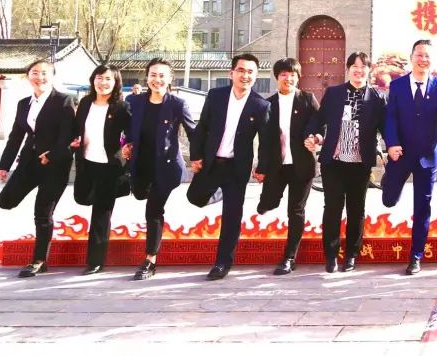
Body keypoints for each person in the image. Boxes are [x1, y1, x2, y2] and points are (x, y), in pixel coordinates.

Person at [187, 53, 272, 280]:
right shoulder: (216, 96)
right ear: (231, 73)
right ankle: (217, 193)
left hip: (237, 168)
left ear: (256, 75)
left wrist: (262, 168)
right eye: (241, 70)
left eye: (250, 72)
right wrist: (196, 156)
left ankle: (222, 263)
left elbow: (265, 142)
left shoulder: (260, 105)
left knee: (232, 216)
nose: (245, 76)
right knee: (195, 197)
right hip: (212, 162)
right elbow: (202, 127)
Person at [383, 40, 437, 275]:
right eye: (419, 55)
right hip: (400, 153)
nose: (423, 59)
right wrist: (391, 144)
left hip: (427, 155)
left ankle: (416, 255)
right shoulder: (397, 86)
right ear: (411, 57)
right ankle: (389, 183)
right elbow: (390, 117)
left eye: (427, 56)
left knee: (422, 206)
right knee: (388, 200)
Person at [306, 52, 387, 273]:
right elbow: (319, 120)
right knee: (332, 208)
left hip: (360, 163)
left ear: (369, 70)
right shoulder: (334, 93)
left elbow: (385, 127)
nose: (359, 71)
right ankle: (331, 255)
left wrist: (391, 147)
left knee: (356, 209)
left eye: (363, 67)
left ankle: (351, 254)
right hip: (334, 161)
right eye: (354, 67)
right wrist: (314, 136)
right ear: (348, 69)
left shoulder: (377, 98)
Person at [0, 59, 76, 278]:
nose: (39, 77)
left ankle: (39, 261)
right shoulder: (24, 103)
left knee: (42, 213)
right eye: (34, 73)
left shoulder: (64, 100)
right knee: (5, 201)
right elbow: (16, 136)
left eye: (44, 73)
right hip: (29, 162)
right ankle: (39, 258)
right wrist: (4, 166)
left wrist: (51, 154)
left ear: (52, 76)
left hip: (55, 165)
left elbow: (68, 135)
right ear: (28, 76)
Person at [123, 57, 195, 280]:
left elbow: (193, 132)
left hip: (166, 167)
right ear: (147, 77)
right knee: (139, 194)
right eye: (153, 75)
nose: (157, 79)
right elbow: (126, 130)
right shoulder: (133, 101)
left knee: (153, 210)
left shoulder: (177, 104)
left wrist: (200, 157)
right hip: (140, 164)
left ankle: (150, 260)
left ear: (170, 78)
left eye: (162, 75)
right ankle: (144, 190)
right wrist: (125, 144)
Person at [256, 57, 320, 275]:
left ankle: (289, 257)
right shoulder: (268, 104)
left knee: (296, 210)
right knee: (269, 201)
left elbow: (320, 125)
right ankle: (267, 203)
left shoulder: (307, 99)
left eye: (293, 75)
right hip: (277, 165)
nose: (288, 78)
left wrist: (316, 138)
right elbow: (264, 140)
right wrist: (261, 167)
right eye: (284, 74)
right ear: (277, 77)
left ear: (298, 77)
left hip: (302, 166)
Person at [70, 64, 132, 274]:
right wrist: (74, 141)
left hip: (109, 167)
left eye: (108, 79)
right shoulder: (85, 103)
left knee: (101, 214)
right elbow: (76, 128)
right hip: (86, 163)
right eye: (99, 78)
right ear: (93, 80)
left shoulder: (121, 107)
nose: (103, 83)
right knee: (82, 198)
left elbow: (131, 133)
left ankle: (95, 261)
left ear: (115, 83)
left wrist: (129, 146)